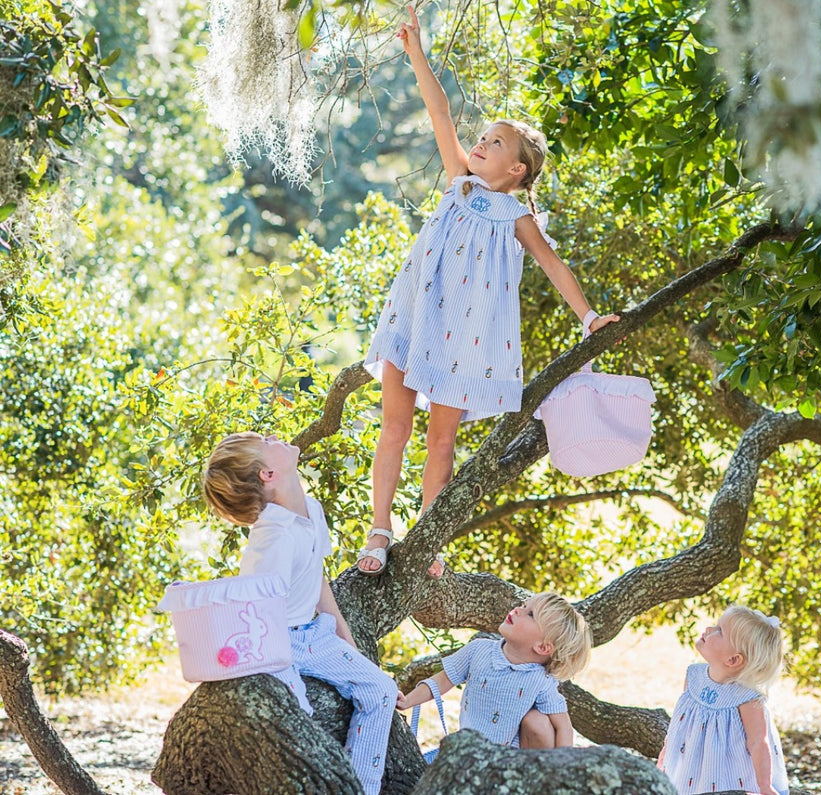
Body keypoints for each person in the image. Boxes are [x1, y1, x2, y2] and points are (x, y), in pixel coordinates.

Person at [357, 5, 619, 575]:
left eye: (495, 142)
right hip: (415, 315)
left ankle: (428, 541)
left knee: (441, 444)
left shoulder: (512, 216)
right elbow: (440, 109)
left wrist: (589, 316)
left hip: (463, 339)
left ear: (518, 169)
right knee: (394, 426)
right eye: (482, 137)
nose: (480, 143)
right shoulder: (459, 185)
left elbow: (553, 264)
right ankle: (379, 531)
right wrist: (416, 53)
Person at [203, 431, 399, 795]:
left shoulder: (312, 511)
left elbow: (317, 580)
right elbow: (257, 611)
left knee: (381, 689)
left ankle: (360, 788)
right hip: (278, 642)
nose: (274, 436)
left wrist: (348, 642)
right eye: (265, 440)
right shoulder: (273, 537)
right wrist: (280, 674)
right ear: (268, 474)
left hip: (315, 634)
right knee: (297, 718)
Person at [396, 592, 592, 750]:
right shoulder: (478, 650)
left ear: (542, 647)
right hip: (471, 750)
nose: (518, 610)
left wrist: (564, 766)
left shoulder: (540, 680)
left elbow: (563, 725)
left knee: (538, 721)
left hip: (510, 760)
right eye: (524, 605)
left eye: (530, 614)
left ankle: (538, 782)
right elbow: (442, 680)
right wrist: (407, 700)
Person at [657, 606, 789, 795]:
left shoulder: (747, 699)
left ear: (733, 660)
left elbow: (758, 743)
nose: (709, 629)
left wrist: (765, 786)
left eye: (720, 631)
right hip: (691, 767)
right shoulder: (694, 677)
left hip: (729, 776)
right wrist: (667, 751)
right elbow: (682, 722)